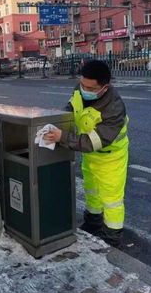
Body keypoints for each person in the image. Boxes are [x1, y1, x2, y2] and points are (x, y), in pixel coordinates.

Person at [43, 60, 129, 248]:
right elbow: (72, 109)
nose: (84, 89)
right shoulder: (80, 89)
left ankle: (112, 236)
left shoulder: (114, 108)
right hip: (90, 156)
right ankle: (93, 223)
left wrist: (62, 137)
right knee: (92, 191)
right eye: (82, 84)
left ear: (104, 88)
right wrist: (58, 122)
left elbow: (94, 142)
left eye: (90, 87)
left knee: (111, 198)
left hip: (110, 158)